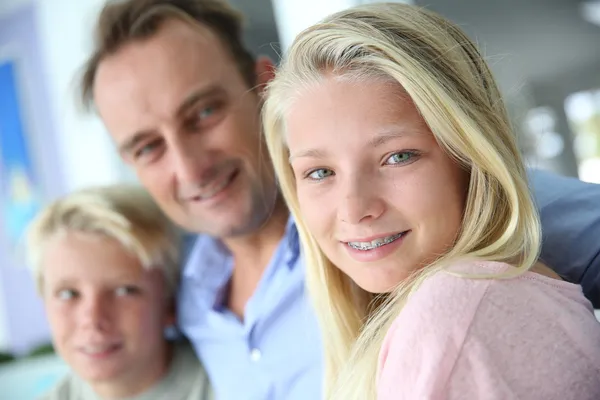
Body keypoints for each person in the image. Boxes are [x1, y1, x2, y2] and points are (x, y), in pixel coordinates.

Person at [80, 0, 600, 399]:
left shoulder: (437, 230)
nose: (189, 166)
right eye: (148, 147)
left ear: (264, 89)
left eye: (203, 114)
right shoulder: (187, 297)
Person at [262, 3, 600, 399]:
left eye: (397, 157)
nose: (354, 209)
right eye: (320, 172)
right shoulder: (484, 304)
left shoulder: (455, 313)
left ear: (472, 157)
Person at [25, 185, 212, 400]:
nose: (92, 319)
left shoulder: (231, 385)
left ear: (169, 303)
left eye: (125, 290)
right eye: (68, 294)